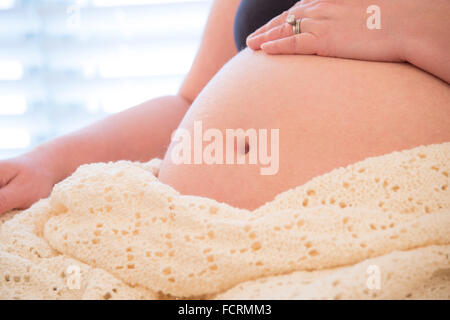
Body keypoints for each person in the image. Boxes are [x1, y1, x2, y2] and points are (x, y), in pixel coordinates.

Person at [0, 0, 449, 213]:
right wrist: (47, 161)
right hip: (188, 235)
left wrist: (408, 26)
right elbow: (188, 104)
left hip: (384, 234)